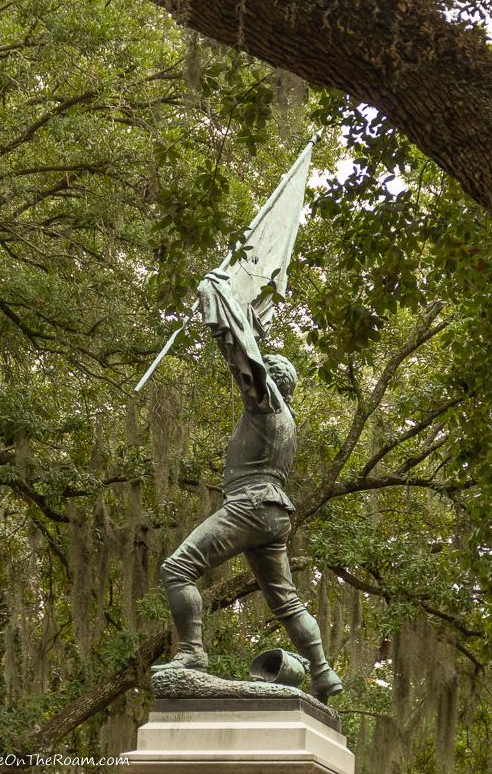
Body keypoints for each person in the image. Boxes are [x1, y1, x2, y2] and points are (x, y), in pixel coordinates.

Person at [153, 270, 343, 704]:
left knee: (176, 570)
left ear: (271, 381)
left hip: (251, 504)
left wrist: (218, 300)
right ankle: (324, 673)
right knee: (288, 603)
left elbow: (243, 353)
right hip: (275, 516)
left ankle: (192, 655)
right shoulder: (286, 420)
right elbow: (252, 348)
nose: (248, 384)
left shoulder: (265, 403)